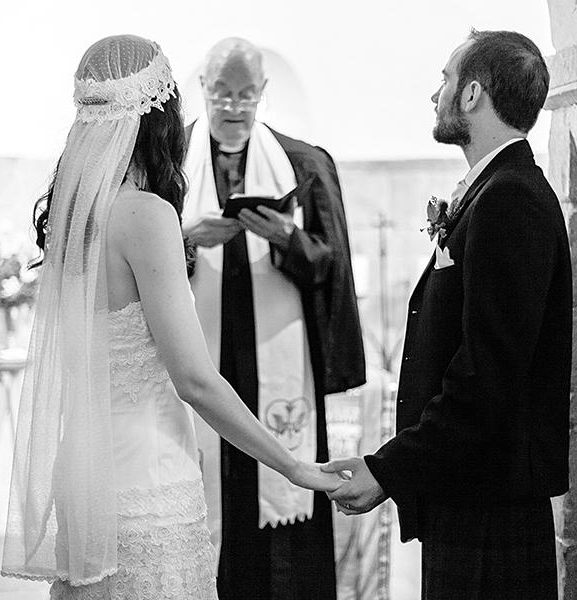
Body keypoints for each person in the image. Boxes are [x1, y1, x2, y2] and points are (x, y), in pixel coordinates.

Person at [0, 35, 343, 600]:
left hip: (85, 477)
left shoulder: (72, 214)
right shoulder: (147, 214)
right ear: (160, 116)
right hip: (148, 486)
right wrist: (294, 467)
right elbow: (195, 380)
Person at [323, 30, 572, 599]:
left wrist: (387, 469)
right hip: (471, 497)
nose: (434, 92)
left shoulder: (510, 199)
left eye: (445, 78)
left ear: (472, 95)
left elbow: (484, 382)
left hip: (491, 511)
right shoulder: (495, 190)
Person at [182, 37, 365, 600]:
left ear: (263, 92)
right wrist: (186, 241)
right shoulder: (170, 161)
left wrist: (286, 238)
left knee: (283, 532)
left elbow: (330, 268)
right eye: (222, 93)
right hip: (202, 366)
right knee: (210, 501)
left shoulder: (303, 164)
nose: (234, 107)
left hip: (283, 373)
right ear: (203, 90)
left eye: (245, 94)